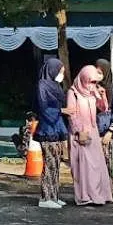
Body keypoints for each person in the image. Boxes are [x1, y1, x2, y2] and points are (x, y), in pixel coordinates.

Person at [67, 65, 113, 206]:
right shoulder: (73, 92)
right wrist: (78, 130)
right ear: (83, 78)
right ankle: (85, 196)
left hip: (93, 132)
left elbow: (103, 108)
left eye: (94, 82)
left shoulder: (93, 91)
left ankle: (100, 195)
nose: (92, 84)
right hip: (80, 133)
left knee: (97, 166)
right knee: (83, 167)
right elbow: (71, 114)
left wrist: (102, 94)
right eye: (90, 81)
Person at [35, 57, 70, 209]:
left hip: (57, 128)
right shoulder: (42, 85)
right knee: (49, 164)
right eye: (60, 71)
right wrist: (61, 110)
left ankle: (54, 195)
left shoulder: (56, 86)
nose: (61, 74)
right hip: (47, 129)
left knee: (56, 164)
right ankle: (45, 197)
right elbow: (43, 108)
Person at [95, 59, 113, 177]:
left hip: (105, 132)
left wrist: (110, 132)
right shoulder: (90, 87)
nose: (98, 74)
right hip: (92, 132)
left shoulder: (112, 89)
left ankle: (106, 191)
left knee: (105, 165)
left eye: (100, 72)